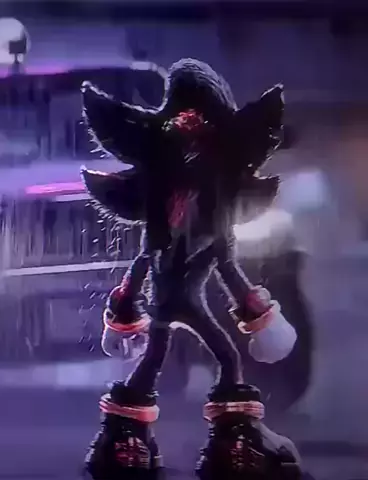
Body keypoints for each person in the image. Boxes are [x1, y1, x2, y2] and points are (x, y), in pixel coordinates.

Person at [80, 59, 303, 480]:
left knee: (156, 361)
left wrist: (125, 306)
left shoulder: (171, 206)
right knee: (224, 358)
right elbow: (226, 267)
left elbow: (146, 263)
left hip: (167, 302)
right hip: (178, 301)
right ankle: (235, 444)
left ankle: (126, 442)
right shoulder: (209, 207)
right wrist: (256, 311)